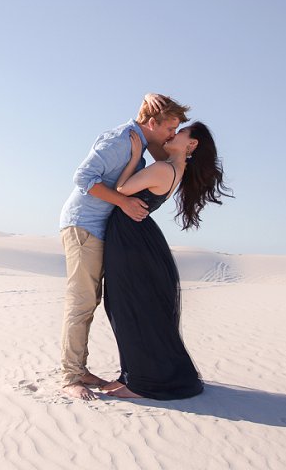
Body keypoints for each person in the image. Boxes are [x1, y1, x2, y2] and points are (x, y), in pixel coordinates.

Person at [58, 93, 191, 401]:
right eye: (170, 128)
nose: (172, 135)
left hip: (102, 229)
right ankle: (70, 376)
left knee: (92, 301)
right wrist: (123, 202)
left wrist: (149, 96)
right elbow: (82, 177)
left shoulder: (141, 142)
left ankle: (80, 369)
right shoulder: (121, 139)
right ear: (153, 123)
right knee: (81, 303)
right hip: (84, 225)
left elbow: (166, 156)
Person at [100, 121, 232, 400]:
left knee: (130, 307)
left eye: (180, 132)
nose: (173, 134)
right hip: (135, 237)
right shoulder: (174, 168)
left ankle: (143, 383)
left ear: (192, 144)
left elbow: (121, 189)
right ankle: (132, 375)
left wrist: (134, 157)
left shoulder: (163, 169)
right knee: (129, 306)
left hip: (131, 239)